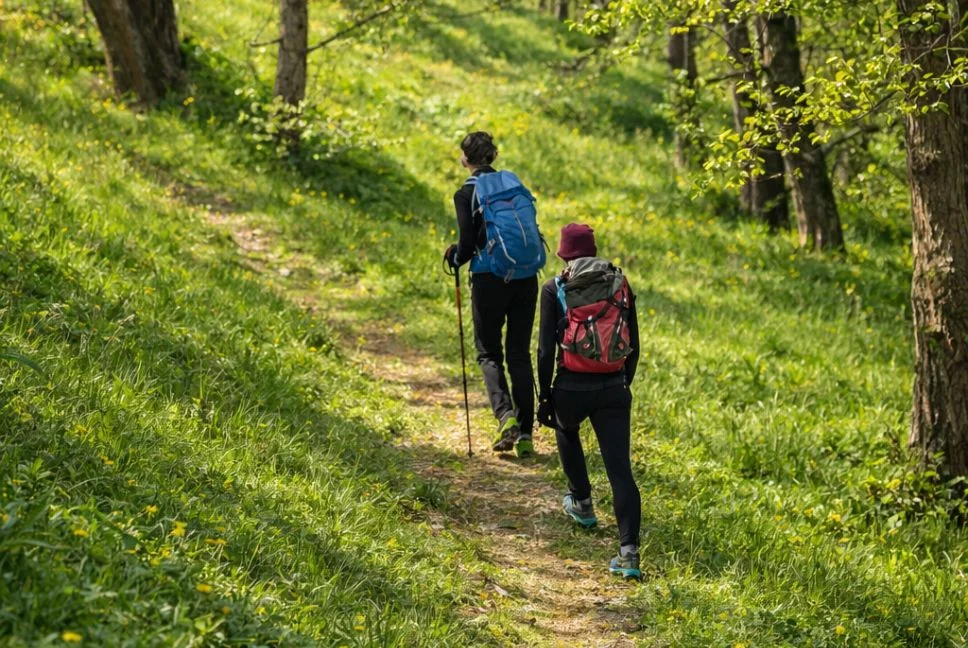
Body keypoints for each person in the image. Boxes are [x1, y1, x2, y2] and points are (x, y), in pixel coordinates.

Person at [536, 223, 643, 579]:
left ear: (564, 254)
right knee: (620, 470)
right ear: (593, 251)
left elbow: (544, 350)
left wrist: (545, 395)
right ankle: (629, 554)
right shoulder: (620, 284)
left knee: (565, 428)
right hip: (613, 385)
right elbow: (634, 344)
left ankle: (581, 501)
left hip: (571, 385)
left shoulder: (554, 287)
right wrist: (623, 382)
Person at [443, 132, 542, 457]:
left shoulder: (466, 193)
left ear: (465, 159)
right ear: (493, 156)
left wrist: (454, 258)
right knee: (519, 354)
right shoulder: (512, 183)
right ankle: (525, 435)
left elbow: (467, 245)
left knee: (488, 353)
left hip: (489, 278)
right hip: (525, 276)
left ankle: (505, 416)